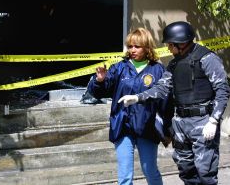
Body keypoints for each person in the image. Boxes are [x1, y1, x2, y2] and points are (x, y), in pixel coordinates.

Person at [118, 21, 230, 185]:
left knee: (205, 172)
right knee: (186, 170)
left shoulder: (207, 59)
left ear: (181, 43)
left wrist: (214, 120)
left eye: (170, 45)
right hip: (181, 124)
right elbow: (161, 88)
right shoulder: (174, 64)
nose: (168, 48)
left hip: (203, 121)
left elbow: (223, 90)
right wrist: (138, 97)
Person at [87, 27, 172, 185]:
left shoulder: (158, 69)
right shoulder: (119, 68)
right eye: (130, 46)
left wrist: (167, 129)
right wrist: (99, 81)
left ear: (147, 47)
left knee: (150, 170)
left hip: (147, 127)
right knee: (125, 175)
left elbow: (165, 101)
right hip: (122, 125)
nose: (132, 50)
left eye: (137, 46)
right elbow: (98, 93)